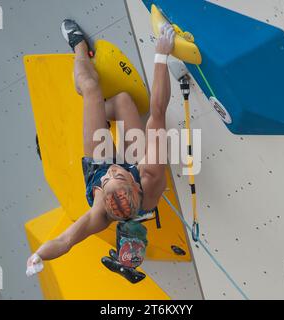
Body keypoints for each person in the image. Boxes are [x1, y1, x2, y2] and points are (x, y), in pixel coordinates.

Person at [26, 19, 176, 278]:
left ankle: (79, 49)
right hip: (135, 164)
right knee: (124, 102)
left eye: (108, 179)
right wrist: (162, 55)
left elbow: (64, 242)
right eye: (116, 175)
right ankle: (96, 113)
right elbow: (158, 112)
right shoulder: (150, 175)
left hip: (97, 162)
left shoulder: (99, 214)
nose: (112, 171)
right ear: (135, 184)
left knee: (91, 88)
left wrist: (38, 256)